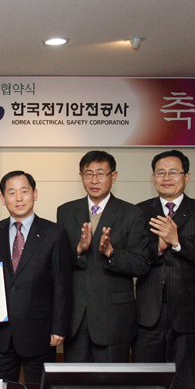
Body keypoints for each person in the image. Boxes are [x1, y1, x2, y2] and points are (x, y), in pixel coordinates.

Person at [133, 150, 195, 388]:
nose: (166, 178)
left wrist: (177, 241)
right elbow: (133, 259)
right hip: (148, 313)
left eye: (173, 172)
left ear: (187, 177)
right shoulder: (138, 212)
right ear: (153, 177)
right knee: (145, 384)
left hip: (189, 314)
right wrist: (158, 248)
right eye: (161, 173)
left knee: (188, 384)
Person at [56, 150, 149, 362]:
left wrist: (111, 253)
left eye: (100, 173)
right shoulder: (66, 212)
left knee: (111, 379)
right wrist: (78, 250)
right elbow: (58, 262)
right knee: (76, 378)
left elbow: (141, 264)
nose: (94, 180)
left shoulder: (132, 213)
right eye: (88, 174)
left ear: (113, 176)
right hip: (76, 316)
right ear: (81, 177)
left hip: (113, 318)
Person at [0, 171, 72, 383]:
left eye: (24, 191)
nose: (19, 198)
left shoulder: (55, 233)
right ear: (3, 198)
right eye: (12, 193)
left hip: (40, 332)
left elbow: (63, 284)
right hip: (2, 333)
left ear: (35, 194)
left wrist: (59, 327)